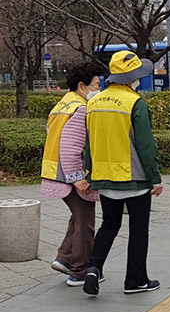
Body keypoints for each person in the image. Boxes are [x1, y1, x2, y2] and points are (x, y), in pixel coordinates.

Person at [82, 51, 162, 295]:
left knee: (109, 224)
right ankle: (135, 280)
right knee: (138, 230)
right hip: (134, 177)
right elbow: (145, 145)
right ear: (133, 77)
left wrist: (90, 173)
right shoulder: (135, 103)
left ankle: (93, 268)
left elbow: (89, 143)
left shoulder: (94, 102)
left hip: (104, 176)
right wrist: (155, 177)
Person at [42, 61, 105, 287]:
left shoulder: (62, 105)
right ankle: (79, 270)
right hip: (70, 176)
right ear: (82, 86)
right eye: (95, 85)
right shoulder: (80, 109)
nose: (99, 89)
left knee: (78, 217)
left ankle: (64, 258)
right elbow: (70, 147)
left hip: (56, 173)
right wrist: (78, 178)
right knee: (86, 222)